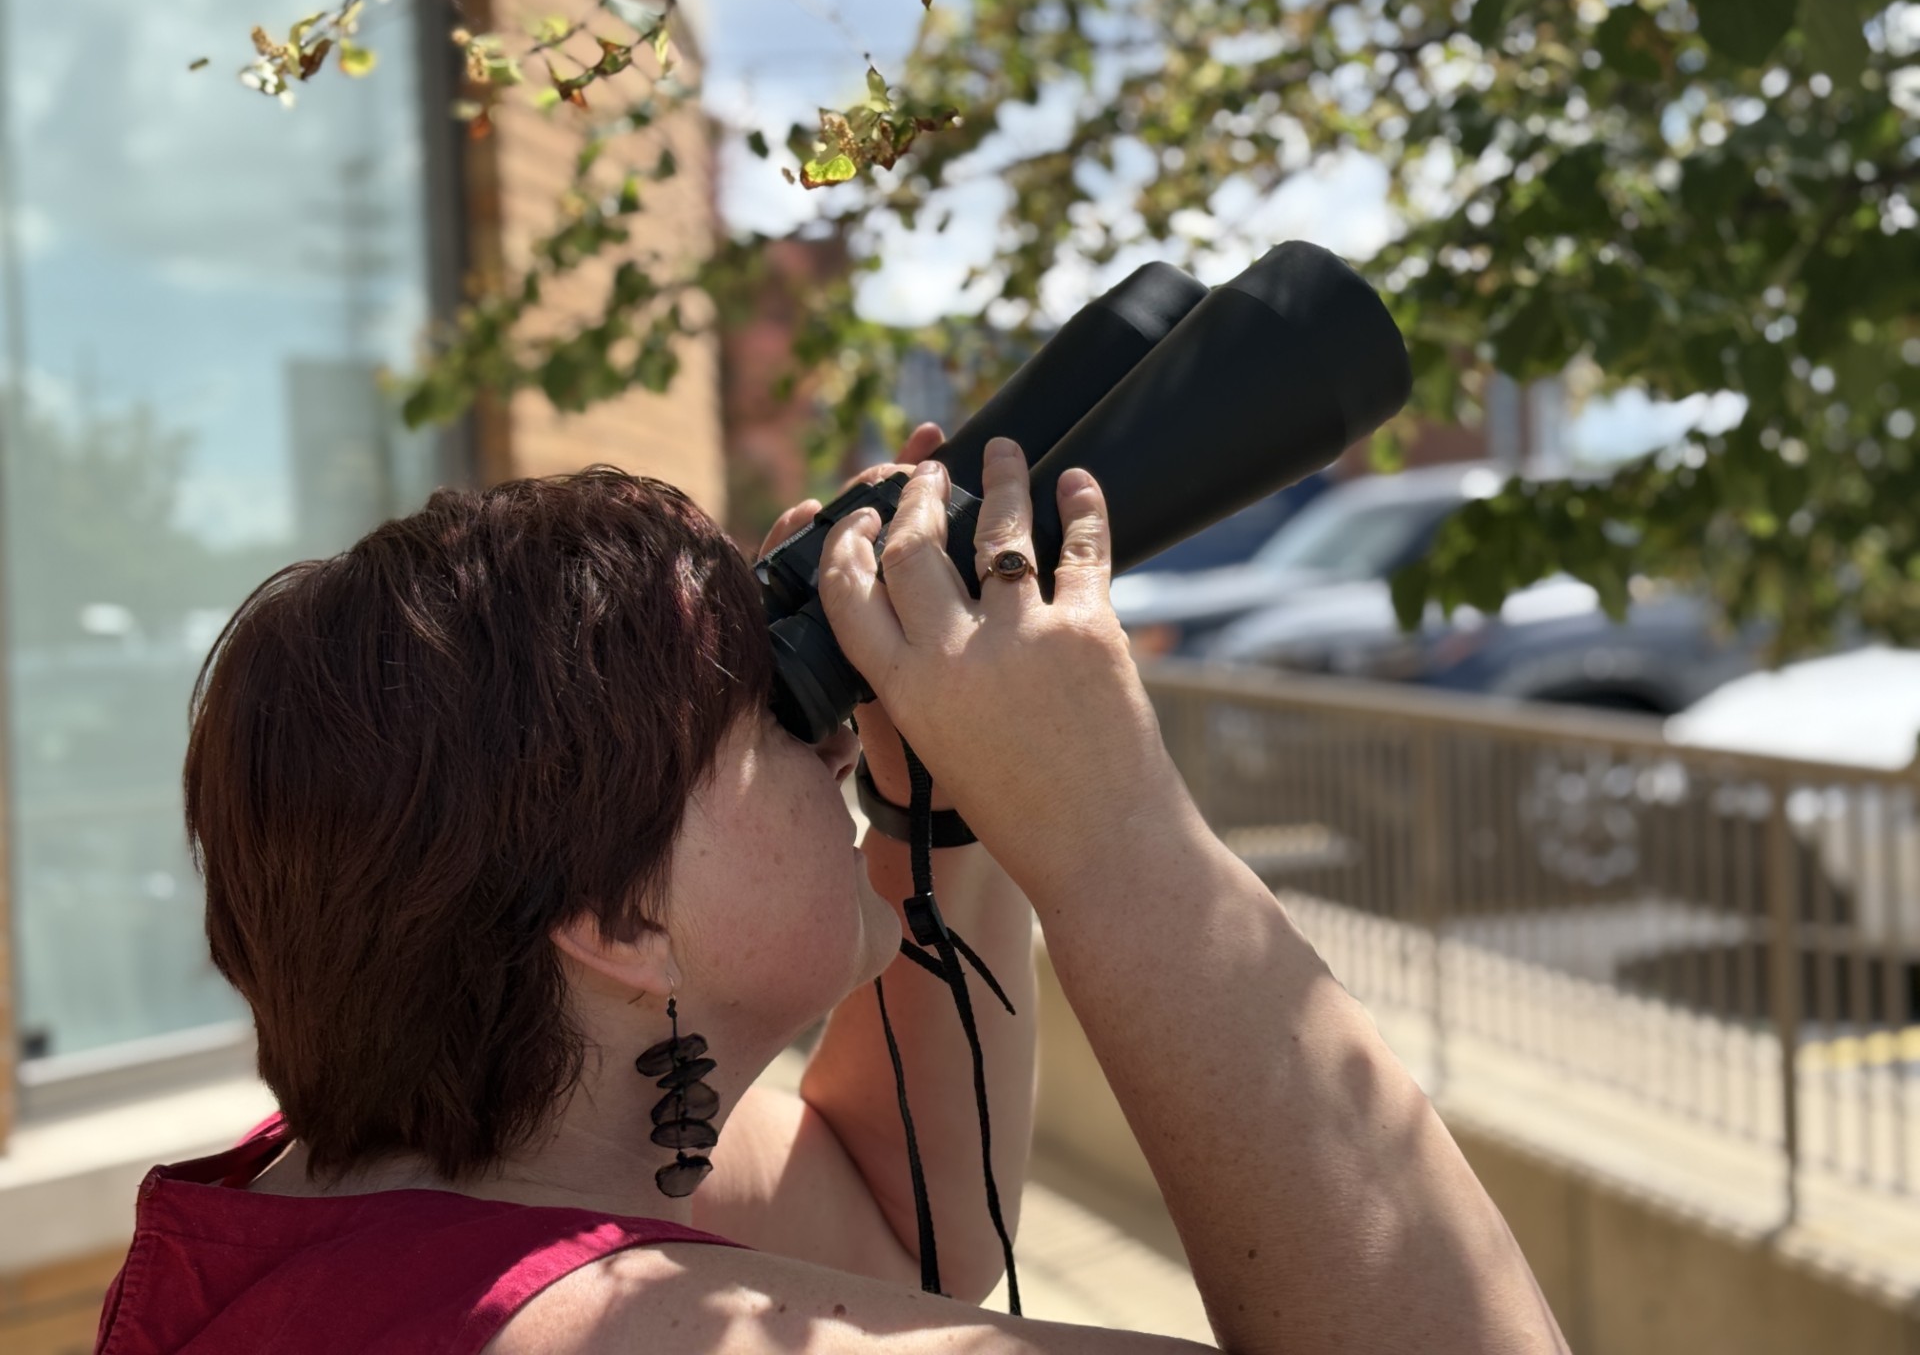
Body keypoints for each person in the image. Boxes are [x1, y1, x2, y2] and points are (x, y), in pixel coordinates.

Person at [97, 426, 1566, 1355]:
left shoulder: (348, 1197)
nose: (834, 738)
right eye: (778, 719)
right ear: (619, 917)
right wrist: (1113, 828)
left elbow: (904, 1233)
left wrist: (959, 824)